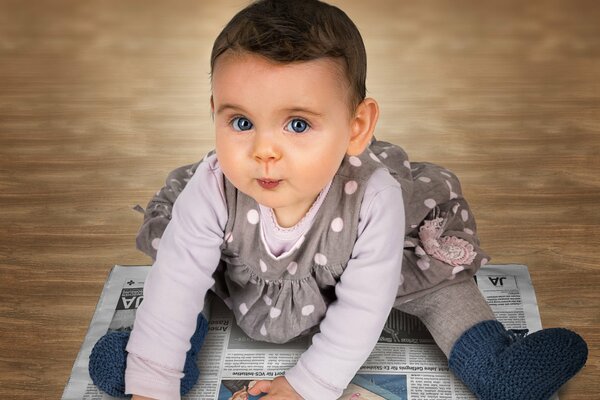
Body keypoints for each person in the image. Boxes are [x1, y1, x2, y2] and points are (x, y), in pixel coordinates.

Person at [89, 1, 588, 399]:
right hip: (245, 270)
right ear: (214, 111)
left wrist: (307, 386)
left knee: (435, 286)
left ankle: (495, 364)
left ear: (357, 128)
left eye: (298, 124)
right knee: (186, 279)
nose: (263, 150)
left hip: (364, 270)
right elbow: (177, 280)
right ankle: (152, 362)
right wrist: (151, 387)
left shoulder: (375, 196)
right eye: (240, 122)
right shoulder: (214, 186)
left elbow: (365, 307)